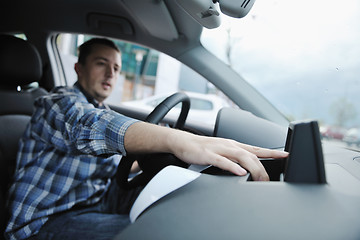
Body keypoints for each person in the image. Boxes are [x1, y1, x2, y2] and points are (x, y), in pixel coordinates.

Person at [5, 38, 288, 240]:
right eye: (101, 63)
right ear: (78, 68)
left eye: (116, 68)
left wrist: (159, 156)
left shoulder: (100, 107)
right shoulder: (56, 102)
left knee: (181, 210)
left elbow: (112, 167)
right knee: (164, 233)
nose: (110, 73)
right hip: (46, 222)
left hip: (97, 201)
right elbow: (85, 126)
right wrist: (176, 141)